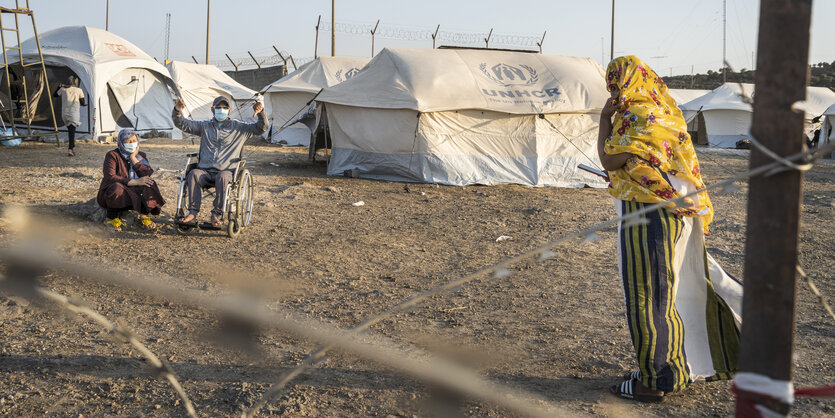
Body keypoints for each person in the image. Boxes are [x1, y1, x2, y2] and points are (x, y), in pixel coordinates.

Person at [598, 56, 743, 402]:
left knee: (647, 297)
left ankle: (653, 381)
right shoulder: (668, 111)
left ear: (628, 83)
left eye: (616, 85)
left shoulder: (635, 117)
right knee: (673, 292)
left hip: (647, 215)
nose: (615, 93)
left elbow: (608, 158)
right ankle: (673, 368)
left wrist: (605, 117)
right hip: (677, 213)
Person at [172, 96, 267, 228]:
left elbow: (261, 128)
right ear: (213, 109)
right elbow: (183, 124)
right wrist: (177, 110)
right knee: (193, 174)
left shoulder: (239, 128)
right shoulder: (204, 126)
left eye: (224, 107)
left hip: (226, 171)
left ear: (229, 110)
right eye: (218, 107)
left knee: (222, 177)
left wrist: (261, 112)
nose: (221, 110)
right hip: (205, 170)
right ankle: (192, 213)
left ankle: (216, 214)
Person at [97, 129, 165, 231]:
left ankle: (143, 216)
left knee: (149, 183)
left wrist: (133, 158)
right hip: (116, 190)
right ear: (121, 142)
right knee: (117, 188)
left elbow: (147, 173)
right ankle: (111, 218)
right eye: (128, 142)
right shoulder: (112, 155)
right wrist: (135, 182)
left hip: (133, 191)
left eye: (134, 141)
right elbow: (110, 176)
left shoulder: (141, 155)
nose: (132, 144)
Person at [54, 75, 86, 156]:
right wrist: (80, 102)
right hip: (73, 114)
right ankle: (70, 149)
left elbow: (55, 95)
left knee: (70, 131)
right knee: (72, 131)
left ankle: (72, 147)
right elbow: (82, 102)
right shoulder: (79, 90)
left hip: (64, 114)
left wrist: (59, 87)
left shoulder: (63, 89)